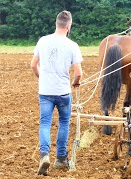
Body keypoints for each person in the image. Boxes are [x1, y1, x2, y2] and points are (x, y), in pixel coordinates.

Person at [30, 10, 83, 176]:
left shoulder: (43, 41)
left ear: (56, 24)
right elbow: (79, 73)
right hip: (63, 92)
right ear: (68, 26)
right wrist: (75, 82)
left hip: (45, 91)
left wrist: (42, 78)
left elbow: (33, 65)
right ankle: (60, 158)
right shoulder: (72, 45)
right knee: (64, 122)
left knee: (45, 123)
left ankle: (44, 155)